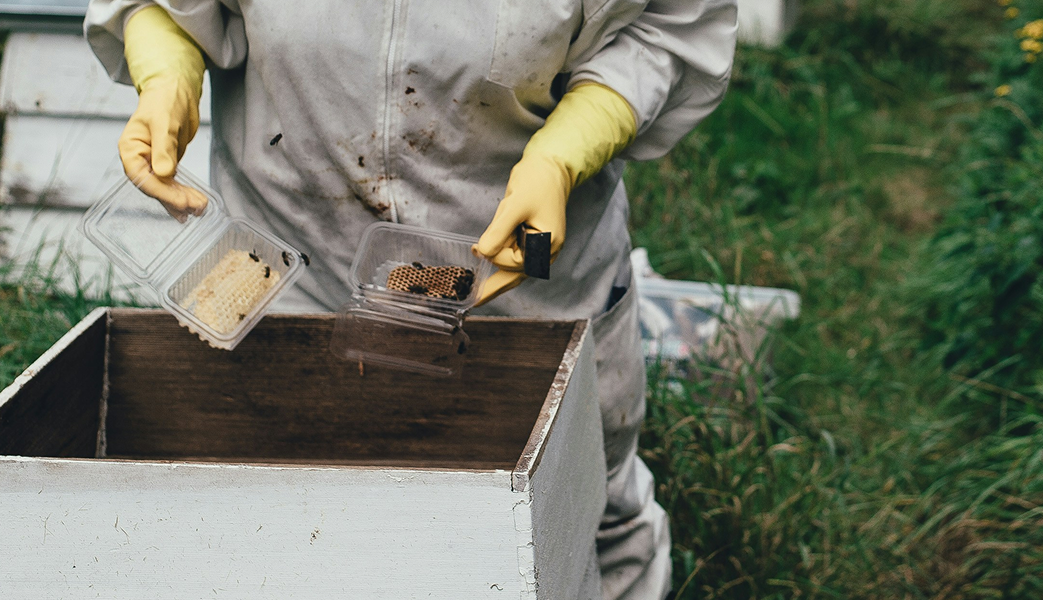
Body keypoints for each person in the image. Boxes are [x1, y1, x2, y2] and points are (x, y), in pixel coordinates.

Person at [82, 1, 736, 597]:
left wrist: (566, 152)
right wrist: (167, 76)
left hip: (519, 271)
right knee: (300, 521)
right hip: (292, 253)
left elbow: (667, 25)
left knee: (578, 511)